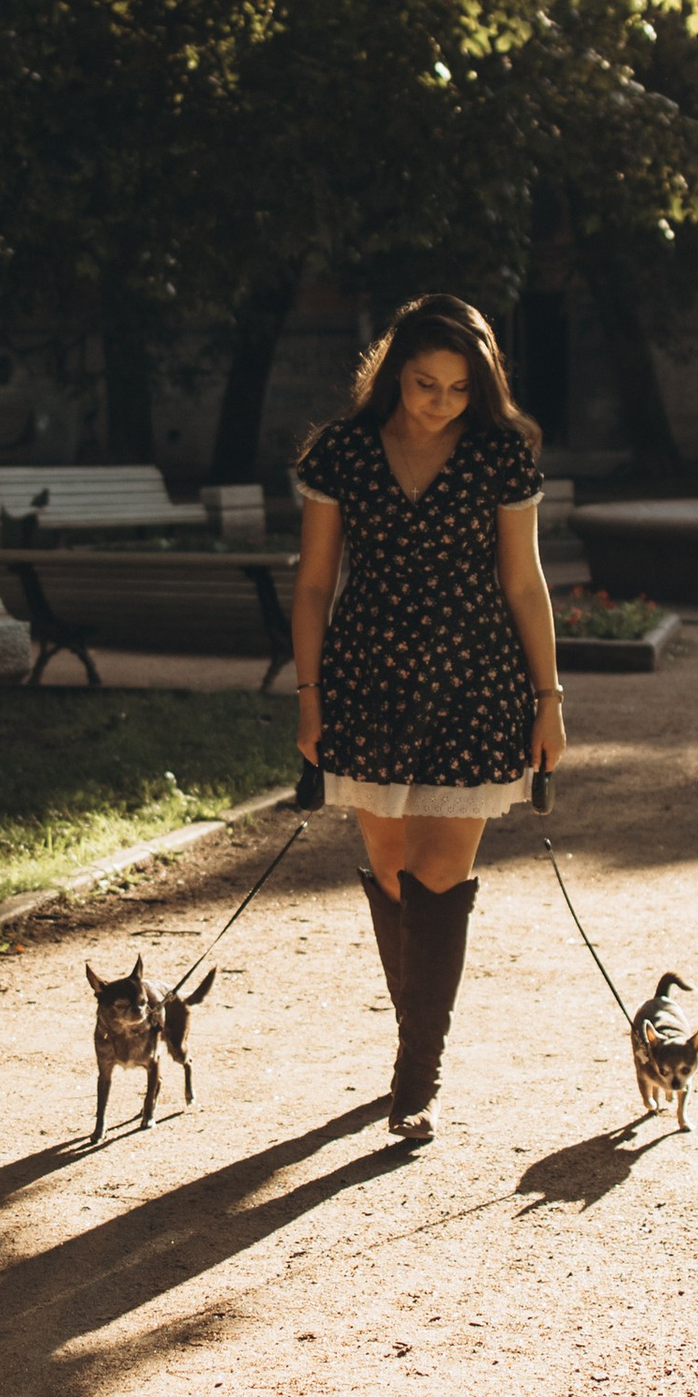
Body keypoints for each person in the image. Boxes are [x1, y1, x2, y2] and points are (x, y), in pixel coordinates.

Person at [290, 293, 567, 1143]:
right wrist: (309, 696)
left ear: (479, 385)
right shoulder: (341, 452)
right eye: (423, 383)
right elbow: (312, 584)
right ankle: (419, 1037)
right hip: (366, 683)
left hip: (474, 686)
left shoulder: (499, 456)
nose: (439, 401)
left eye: (456, 387)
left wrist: (549, 700)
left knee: (440, 875)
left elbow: (523, 583)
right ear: (392, 372)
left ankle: (417, 1074)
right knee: (389, 862)